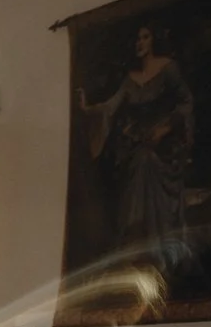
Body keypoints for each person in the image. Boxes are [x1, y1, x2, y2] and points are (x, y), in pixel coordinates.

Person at [76, 24, 195, 281]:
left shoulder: (168, 69)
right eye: (136, 38)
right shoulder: (131, 79)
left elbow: (186, 103)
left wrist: (165, 128)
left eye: (145, 37)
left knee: (146, 162)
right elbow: (110, 106)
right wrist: (87, 109)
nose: (140, 43)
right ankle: (135, 249)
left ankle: (157, 252)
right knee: (138, 163)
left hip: (164, 144)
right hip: (140, 145)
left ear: (154, 40)